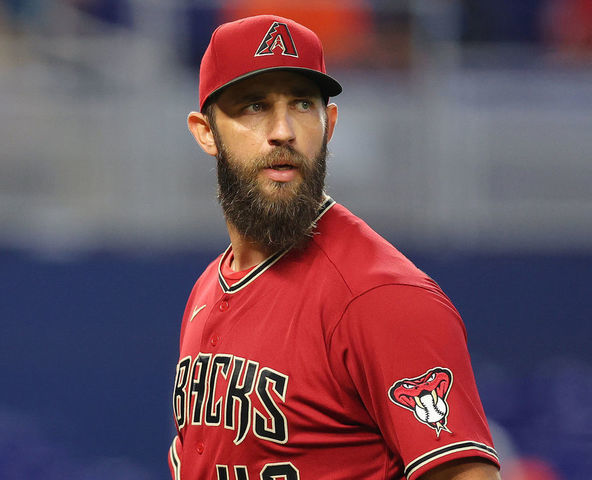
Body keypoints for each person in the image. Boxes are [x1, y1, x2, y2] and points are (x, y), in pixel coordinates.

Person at [170, 14, 501, 480]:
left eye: (303, 105)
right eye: (253, 107)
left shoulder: (381, 296)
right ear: (206, 132)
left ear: (330, 123)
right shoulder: (208, 288)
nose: (283, 129)